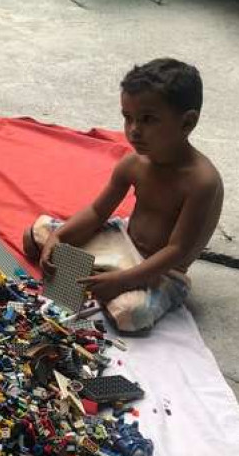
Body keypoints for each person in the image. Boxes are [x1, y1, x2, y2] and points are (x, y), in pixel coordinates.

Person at [23, 59, 223, 333]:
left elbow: (176, 251)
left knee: (131, 316)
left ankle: (96, 280)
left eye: (148, 119)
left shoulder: (202, 182)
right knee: (39, 233)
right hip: (121, 241)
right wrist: (59, 237)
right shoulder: (134, 163)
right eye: (127, 118)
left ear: (187, 122)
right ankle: (96, 279)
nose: (133, 130)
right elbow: (97, 212)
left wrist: (123, 281)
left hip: (162, 271)